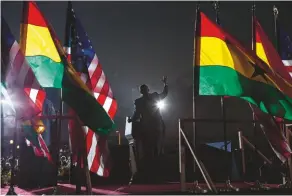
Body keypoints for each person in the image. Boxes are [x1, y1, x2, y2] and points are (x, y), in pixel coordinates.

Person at [128, 76, 168, 182]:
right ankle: (155, 171)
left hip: (149, 128)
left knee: (150, 150)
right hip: (155, 128)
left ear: (142, 91)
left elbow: (136, 115)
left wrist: (131, 120)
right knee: (155, 149)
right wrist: (165, 84)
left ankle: (152, 171)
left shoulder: (140, 101)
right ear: (146, 90)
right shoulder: (151, 98)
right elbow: (164, 94)